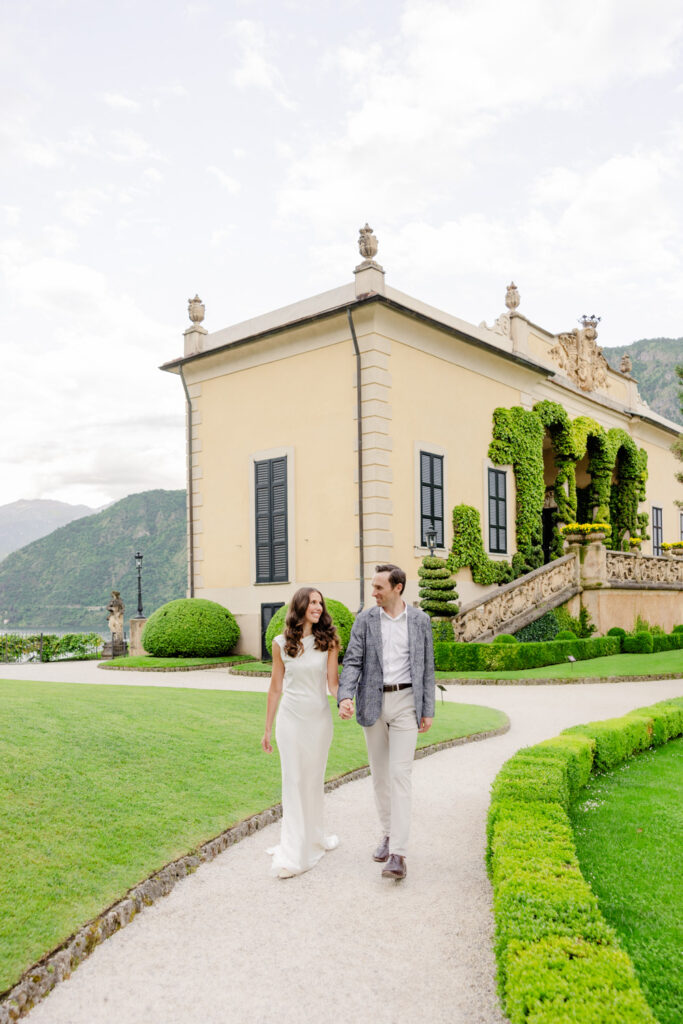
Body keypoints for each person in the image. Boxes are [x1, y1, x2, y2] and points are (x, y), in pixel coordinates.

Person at [338, 564, 435, 881]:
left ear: (398, 588)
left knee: (400, 775)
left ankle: (399, 854)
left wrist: (428, 708)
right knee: (380, 775)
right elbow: (352, 659)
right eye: (373, 586)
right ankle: (388, 833)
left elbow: (427, 667)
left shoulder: (420, 621)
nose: (373, 592)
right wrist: (345, 696)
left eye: (379, 587)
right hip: (372, 703)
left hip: (407, 701)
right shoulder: (365, 620)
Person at [261, 587, 341, 878]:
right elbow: (275, 687)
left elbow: (333, 684)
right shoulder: (280, 643)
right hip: (290, 721)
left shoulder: (328, 642)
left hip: (318, 721)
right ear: (300, 606)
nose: (318, 607)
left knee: (312, 781)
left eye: (321, 602)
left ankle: (314, 836)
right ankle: (294, 850)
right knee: (292, 780)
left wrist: (344, 701)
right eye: (313, 602)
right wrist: (267, 729)